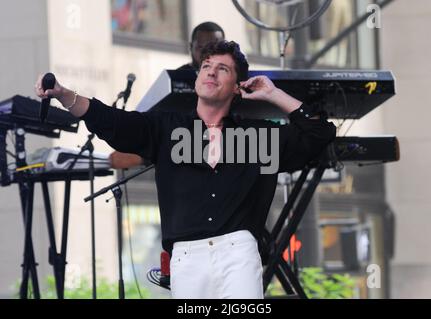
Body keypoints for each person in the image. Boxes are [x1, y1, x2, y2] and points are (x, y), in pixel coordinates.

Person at [35, 40, 336, 299]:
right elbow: (112, 121)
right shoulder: (166, 128)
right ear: (197, 77)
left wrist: (272, 93)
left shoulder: (258, 137)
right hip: (187, 257)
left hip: (238, 252)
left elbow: (319, 134)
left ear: (237, 87)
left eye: (223, 68)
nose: (211, 71)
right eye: (207, 65)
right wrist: (63, 94)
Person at [110, 21, 225, 169]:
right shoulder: (174, 81)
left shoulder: (237, 80)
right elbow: (156, 129)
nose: (209, 54)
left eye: (216, 48)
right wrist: (140, 155)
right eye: (202, 48)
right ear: (191, 48)